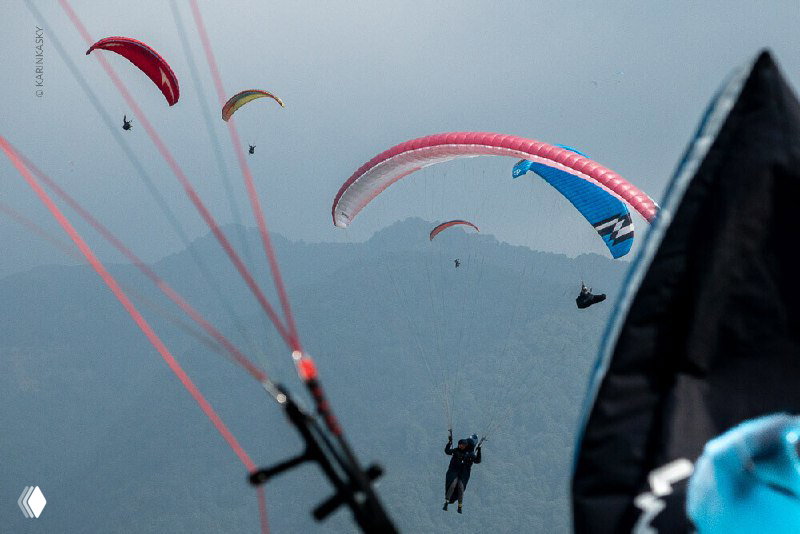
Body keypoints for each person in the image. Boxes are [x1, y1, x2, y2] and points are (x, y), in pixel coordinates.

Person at [443, 431, 482, 513]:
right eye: (460, 445)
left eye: (463, 445)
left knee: (461, 487)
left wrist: (479, 450)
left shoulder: (470, 454)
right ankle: (446, 502)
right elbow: (447, 451)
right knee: (452, 484)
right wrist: (449, 442)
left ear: (466, 446)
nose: (461, 446)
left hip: (463, 474)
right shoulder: (456, 451)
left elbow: (478, 460)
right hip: (453, 472)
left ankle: (460, 506)